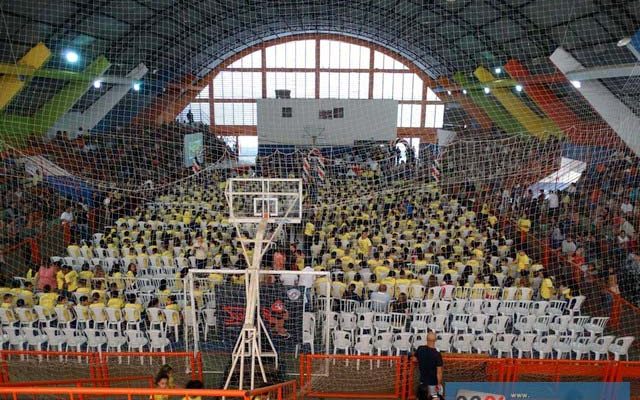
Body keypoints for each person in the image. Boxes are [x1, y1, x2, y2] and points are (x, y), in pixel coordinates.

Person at [413, 332, 444, 400]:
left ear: (426, 339)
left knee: (422, 397)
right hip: (433, 383)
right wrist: (438, 384)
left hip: (423, 382)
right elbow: (439, 373)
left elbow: (414, 359)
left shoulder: (420, 349)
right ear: (435, 340)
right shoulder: (437, 355)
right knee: (434, 397)